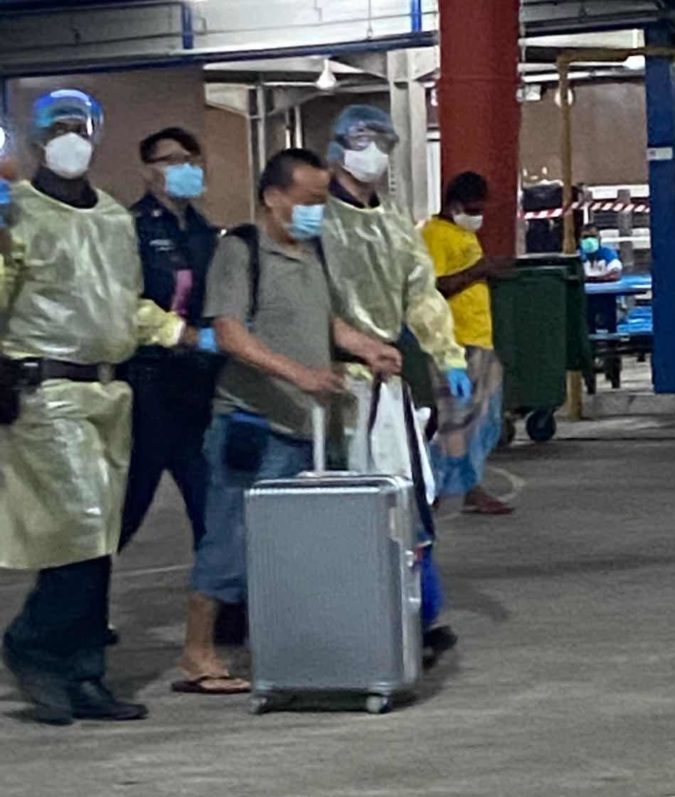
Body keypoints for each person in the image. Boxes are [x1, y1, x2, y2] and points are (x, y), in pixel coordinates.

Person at [176, 148, 399, 693]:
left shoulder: (310, 252)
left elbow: (324, 324)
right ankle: (197, 652)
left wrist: (367, 348)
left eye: (321, 202)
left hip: (307, 431)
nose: (316, 212)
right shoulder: (240, 251)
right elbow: (230, 334)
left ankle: (279, 647)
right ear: (274, 197)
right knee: (228, 540)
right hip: (251, 426)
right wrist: (297, 375)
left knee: (288, 552)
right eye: (308, 201)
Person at [0, 89, 184, 725]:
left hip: (111, 389)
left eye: (81, 126)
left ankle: (84, 672)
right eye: (59, 127)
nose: (71, 137)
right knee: (79, 524)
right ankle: (33, 641)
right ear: (36, 138)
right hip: (46, 389)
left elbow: (124, 303)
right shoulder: (13, 213)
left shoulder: (111, 218)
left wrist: (181, 333)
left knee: (99, 536)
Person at [321, 104, 471, 666]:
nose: (374, 153)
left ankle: (413, 611)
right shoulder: (318, 221)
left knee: (406, 496)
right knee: (349, 503)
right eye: (363, 140)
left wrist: (446, 353)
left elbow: (422, 293)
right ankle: (357, 619)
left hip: (387, 383)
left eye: (383, 142)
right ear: (338, 147)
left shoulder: (392, 222)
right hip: (334, 380)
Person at [118, 127, 218, 551]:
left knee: (211, 507)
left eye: (192, 160)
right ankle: (76, 610)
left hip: (198, 385)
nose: (186, 168)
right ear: (148, 171)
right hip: (147, 381)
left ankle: (225, 612)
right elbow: (123, 301)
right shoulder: (129, 228)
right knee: (127, 506)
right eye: (173, 160)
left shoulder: (203, 232)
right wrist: (182, 334)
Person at [422, 171, 511, 515]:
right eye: (474, 208)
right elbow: (433, 288)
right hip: (454, 343)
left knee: (479, 418)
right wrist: (480, 270)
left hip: (479, 339)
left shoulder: (461, 233)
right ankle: (437, 486)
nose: (479, 215)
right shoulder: (434, 235)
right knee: (455, 421)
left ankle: (467, 485)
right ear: (455, 205)